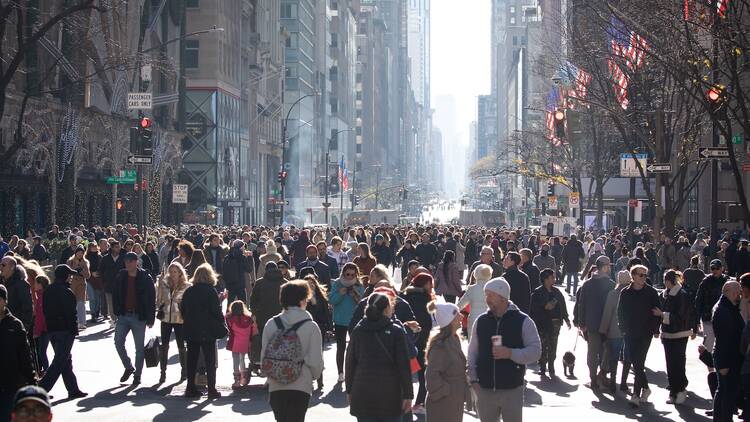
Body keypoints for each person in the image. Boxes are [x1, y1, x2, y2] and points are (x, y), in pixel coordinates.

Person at [467, 277, 541, 422]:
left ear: (502, 297)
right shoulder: (481, 321)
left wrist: (511, 353)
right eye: (486, 295)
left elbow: (536, 351)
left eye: (490, 295)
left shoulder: (523, 321)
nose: (486, 299)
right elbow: (472, 352)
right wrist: (474, 380)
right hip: (484, 389)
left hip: (512, 389)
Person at [262, 280, 324, 422]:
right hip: (301, 384)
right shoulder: (311, 326)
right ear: (303, 299)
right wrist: (312, 376)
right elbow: (315, 361)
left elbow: (264, 356)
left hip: (276, 385)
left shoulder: (271, 324)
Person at [346, 292, 413, 422]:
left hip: (362, 392)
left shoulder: (358, 330)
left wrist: (349, 390)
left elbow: (350, 363)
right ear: (388, 308)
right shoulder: (396, 331)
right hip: (390, 394)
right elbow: (404, 365)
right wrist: (408, 394)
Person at [38, 265, 86, 399]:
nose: (71, 277)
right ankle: (41, 390)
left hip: (52, 329)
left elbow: (46, 310)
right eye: (69, 275)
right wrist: (73, 330)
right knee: (60, 361)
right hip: (65, 330)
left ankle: (73, 389)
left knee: (65, 359)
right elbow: (70, 313)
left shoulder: (48, 290)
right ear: (65, 276)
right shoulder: (66, 291)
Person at [617, 264, 661, 407]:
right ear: (633, 276)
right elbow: (620, 312)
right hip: (629, 333)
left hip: (645, 333)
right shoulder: (625, 292)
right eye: (641, 275)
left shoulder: (651, 293)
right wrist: (622, 328)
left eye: (645, 275)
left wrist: (655, 329)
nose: (644, 278)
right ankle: (646, 388)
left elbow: (657, 311)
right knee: (635, 362)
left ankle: (636, 396)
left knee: (638, 362)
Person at [181, 263, 226, 399]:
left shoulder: (189, 291)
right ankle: (211, 389)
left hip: (191, 328)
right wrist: (221, 322)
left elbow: (183, 309)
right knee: (209, 361)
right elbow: (216, 311)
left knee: (192, 360)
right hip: (207, 329)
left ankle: (190, 388)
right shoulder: (210, 290)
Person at [112, 252, 156, 386]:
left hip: (139, 316)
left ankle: (137, 375)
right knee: (118, 342)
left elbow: (151, 299)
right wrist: (116, 311)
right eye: (126, 261)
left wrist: (151, 318)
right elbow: (115, 294)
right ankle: (128, 367)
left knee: (139, 348)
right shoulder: (121, 276)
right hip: (124, 315)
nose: (128, 264)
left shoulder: (145, 277)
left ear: (136, 261)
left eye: (131, 261)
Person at [653, 269, 694, 405]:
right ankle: (674, 390)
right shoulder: (665, 295)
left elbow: (681, 316)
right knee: (671, 363)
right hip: (668, 333)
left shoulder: (681, 295)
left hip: (679, 333)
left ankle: (680, 389)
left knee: (677, 362)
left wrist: (662, 315)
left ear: (668, 281)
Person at [424, 301, 468, 422]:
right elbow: (431, 377)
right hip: (443, 402)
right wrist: (448, 390)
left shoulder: (454, 339)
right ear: (450, 321)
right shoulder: (440, 346)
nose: (461, 316)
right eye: (457, 314)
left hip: (453, 401)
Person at [575, 255, 614, 391]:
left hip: (591, 323)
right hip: (606, 323)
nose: (609, 268)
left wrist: (581, 322)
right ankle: (601, 374)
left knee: (592, 352)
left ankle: (593, 378)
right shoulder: (610, 284)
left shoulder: (588, 283)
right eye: (608, 265)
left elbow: (581, 304)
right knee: (606, 351)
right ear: (603, 267)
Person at [0, 285, 36, 421]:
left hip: (11, 386)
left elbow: (25, 356)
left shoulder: (15, 325)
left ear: (4, 301)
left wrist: (32, 382)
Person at [400, 273, 434, 415]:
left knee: (405, 372)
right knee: (422, 373)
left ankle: (404, 402)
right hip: (422, 339)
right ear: (424, 284)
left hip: (406, 339)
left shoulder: (405, 295)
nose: (431, 286)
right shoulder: (424, 298)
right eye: (429, 283)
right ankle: (420, 402)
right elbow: (426, 320)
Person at [529, 268, 570, 378]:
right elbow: (538, 308)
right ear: (546, 279)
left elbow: (563, 305)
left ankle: (551, 365)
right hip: (542, 323)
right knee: (543, 345)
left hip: (555, 323)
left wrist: (566, 319)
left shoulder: (557, 292)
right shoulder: (538, 293)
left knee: (553, 345)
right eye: (552, 277)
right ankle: (543, 366)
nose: (554, 279)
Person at [712, 281, 743, 422]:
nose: (739, 295)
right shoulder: (723, 310)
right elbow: (724, 338)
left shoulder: (728, 307)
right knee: (726, 393)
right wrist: (724, 364)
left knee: (724, 391)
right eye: (737, 292)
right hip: (726, 358)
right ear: (728, 292)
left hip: (729, 357)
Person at [329, 262, 365, 383]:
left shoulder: (359, 285)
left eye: (352, 274)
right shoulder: (337, 284)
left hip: (354, 321)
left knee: (355, 348)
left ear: (356, 274)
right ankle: (340, 372)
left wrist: (355, 295)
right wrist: (340, 293)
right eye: (347, 274)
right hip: (340, 321)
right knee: (341, 347)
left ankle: (354, 371)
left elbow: (363, 303)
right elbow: (331, 300)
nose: (349, 277)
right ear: (343, 273)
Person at [156, 262, 191, 383]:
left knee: (181, 346)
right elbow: (159, 300)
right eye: (170, 272)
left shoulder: (187, 286)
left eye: (175, 272)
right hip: (165, 317)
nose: (172, 274)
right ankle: (162, 372)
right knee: (164, 345)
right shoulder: (164, 284)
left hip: (180, 319)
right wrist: (159, 286)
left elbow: (188, 304)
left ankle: (184, 371)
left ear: (180, 272)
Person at [599, 271, 630, 394]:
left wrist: (603, 330)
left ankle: (613, 381)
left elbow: (607, 314)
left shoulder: (612, 294)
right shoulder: (632, 293)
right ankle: (623, 382)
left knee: (614, 357)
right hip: (629, 331)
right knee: (627, 356)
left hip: (614, 330)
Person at [695, 259, 728, 351]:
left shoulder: (726, 281)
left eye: (717, 268)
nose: (715, 270)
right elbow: (699, 300)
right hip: (707, 316)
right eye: (712, 268)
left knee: (722, 343)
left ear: (722, 268)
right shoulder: (706, 281)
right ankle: (709, 363)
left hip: (723, 317)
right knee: (709, 343)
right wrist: (697, 320)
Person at [226, 300, 258, 389]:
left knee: (235, 361)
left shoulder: (230, 319)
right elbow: (254, 330)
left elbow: (229, 329)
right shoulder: (249, 318)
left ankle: (236, 381)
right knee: (242, 359)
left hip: (235, 342)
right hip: (245, 343)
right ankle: (243, 379)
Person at [457, 264, 494, 338]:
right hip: (489, 319)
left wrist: (452, 312)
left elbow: (461, 304)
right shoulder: (492, 289)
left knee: (472, 341)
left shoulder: (471, 289)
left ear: (476, 274)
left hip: (474, 318)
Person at [0, 256, 33, 334]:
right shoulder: (2, 283)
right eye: (0, 264)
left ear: (12, 267)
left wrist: (23, 328)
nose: (1, 267)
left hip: (14, 329)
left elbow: (27, 307)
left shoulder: (21, 284)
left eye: (3, 265)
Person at [99, 240, 124, 328]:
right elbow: (101, 271)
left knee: (120, 303)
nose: (119, 248)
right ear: (112, 248)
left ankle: (119, 319)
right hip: (109, 285)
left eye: (119, 246)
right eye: (117, 247)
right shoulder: (105, 258)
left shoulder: (123, 257)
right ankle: (113, 320)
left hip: (121, 285)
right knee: (111, 304)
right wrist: (104, 282)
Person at [66, 246, 90, 330]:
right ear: (75, 253)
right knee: (72, 304)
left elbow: (88, 276)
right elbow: (67, 273)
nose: (80, 254)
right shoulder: (70, 261)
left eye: (82, 253)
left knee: (81, 303)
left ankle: (82, 322)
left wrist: (81, 270)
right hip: (72, 284)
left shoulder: (85, 262)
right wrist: (74, 268)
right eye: (78, 252)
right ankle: (73, 322)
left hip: (81, 284)